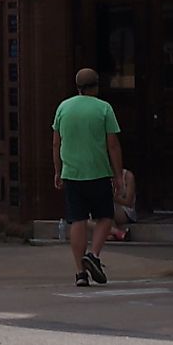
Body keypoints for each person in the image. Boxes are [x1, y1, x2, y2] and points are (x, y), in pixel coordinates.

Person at [51, 66, 124, 288]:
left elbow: (56, 142)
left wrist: (57, 170)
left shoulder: (63, 107)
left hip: (72, 172)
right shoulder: (104, 109)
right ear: (96, 86)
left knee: (78, 220)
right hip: (98, 171)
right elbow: (112, 145)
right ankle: (93, 254)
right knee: (105, 217)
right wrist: (118, 175)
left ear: (77, 87)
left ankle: (79, 273)